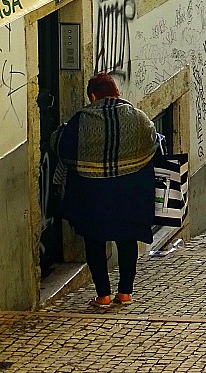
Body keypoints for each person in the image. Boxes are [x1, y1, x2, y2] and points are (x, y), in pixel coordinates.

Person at [51, 74, 157, 309]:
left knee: (94, 242)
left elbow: (61, 146)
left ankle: (103, 296)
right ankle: (125, 293)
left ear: (92, 96)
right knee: (127, 240)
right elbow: (153, 143)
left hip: (94, 195)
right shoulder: (138, 117)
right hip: (130, 193)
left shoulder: (81, 120)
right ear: (117, 92)